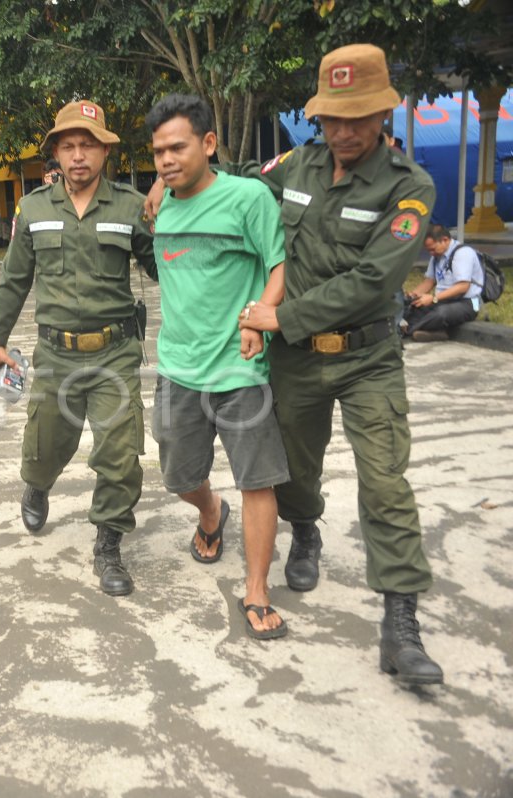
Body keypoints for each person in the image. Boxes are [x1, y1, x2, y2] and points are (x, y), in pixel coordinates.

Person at [152, 44, 441, 684]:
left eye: (357, 117)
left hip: (366, 357)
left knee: (386, 483)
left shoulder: (409, 187)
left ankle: (401, 624)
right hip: (297, 363)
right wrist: (166, 175)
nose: (343, 131)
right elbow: (231, 182)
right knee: (295, 472)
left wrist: (278, 316)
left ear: (382, 112)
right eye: (332, 117)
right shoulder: (296, 166)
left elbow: (374, 278)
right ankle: (305, 532)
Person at [0, 99, 156, 596]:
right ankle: (36, 485)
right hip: (55, 353)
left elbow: (165, 267)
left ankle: (108, 543)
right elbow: (13, 281)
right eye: (70, 146)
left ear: (105, 152)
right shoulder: (33, 209)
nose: (79, 156)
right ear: (56, 153)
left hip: (115, 352)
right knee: (45, 445)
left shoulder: (130, 207)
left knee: (121, 453)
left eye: (89, 146)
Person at [146, 94, 290, 639]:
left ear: (208, 144)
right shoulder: (158, 205)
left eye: (177, 147)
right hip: (178, 368)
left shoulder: (248, 198)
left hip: (240, 370)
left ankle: (256, 588)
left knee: (259, 480)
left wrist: (257, 320)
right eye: (158, 151)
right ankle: (210, 513)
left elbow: (278, 266)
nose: (165, 160)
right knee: (179, 476)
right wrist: (162, 189)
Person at [401, 224, 483, 342]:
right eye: (428, 250)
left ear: (445, 240)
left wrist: (433, 298)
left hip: (469, 302)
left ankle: (407, 331)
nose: (431, 253)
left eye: (432, 249)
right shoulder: (436, 256)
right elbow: (429, 281)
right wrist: (412, 296)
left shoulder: (463, 253)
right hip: (443, 300)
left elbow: (463, 286)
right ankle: (435, 332)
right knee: (413, 309)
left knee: (441, 314)